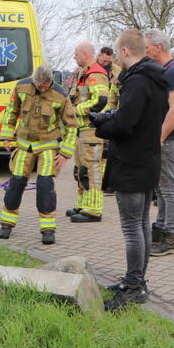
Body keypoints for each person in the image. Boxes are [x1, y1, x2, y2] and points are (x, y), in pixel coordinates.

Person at [89, 29, 169, 311]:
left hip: (132, 163)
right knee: (142, 224)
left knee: (132, 227)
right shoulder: (156, 79)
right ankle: (136, 281)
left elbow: (125, 123)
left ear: (124, 51)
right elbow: (141, 116)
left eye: (116, 52)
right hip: (147, 160)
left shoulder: (137, 81)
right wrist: (110, 117)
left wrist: (100, 125)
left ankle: (134, 286)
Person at [0, 66, 78, 245]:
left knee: (45, 185)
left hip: (48, 146)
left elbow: (72, 126)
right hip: (24, 145)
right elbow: (11, 111)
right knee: (16, 183)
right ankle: (6, 223)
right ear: (34, 82)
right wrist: (6, 136)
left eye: (45, 86)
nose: (42, 88)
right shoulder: (21, 87)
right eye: (39, 86)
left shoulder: (61, 95)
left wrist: (65, 153)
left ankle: (47, 228)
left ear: (51, 82)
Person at [144, 29, 174, 257]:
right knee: (160, 187)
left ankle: (169, 236)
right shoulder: (165, 70)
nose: (145, 50)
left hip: (169, 139)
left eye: (147, 47)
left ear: (158, 47)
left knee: (168, 187)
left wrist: (160, 137)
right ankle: (160, 229)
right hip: (162, 137)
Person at [67, 41, 110, 222]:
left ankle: (93, 210)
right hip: (81, 130)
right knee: (81, 169)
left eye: (76, 53)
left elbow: (100, 101)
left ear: (85, 54)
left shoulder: (95, 74)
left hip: (92, 131)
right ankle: (83, 204)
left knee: (91, 169)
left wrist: (76, 109)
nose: (74, 56)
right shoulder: (83, 73)